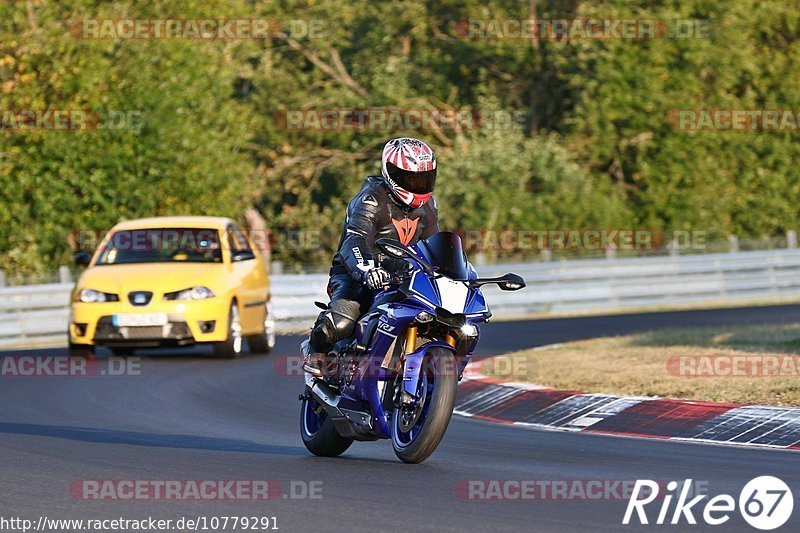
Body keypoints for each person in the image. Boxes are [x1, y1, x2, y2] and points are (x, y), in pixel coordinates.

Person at [303, 137, 440, 377]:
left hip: (403, 274)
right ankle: (317, 353)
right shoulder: (371, 200)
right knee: (342, 322)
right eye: (409, 178)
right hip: (355, 271)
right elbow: (354, 240)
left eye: (423, 178)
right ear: (390, 173)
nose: (418, 184)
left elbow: (434, 246)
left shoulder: (429, 207)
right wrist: (367, 269)